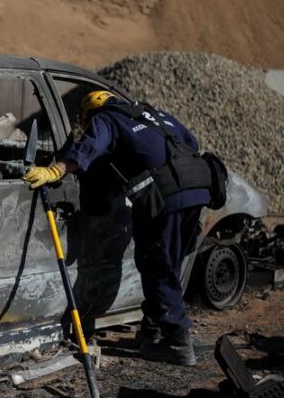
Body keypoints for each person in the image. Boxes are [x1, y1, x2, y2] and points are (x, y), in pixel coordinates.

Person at [23, 90, 222, 366]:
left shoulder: (106, 118)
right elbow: (191, 141)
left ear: (90, 111)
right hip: (198, 187)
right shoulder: (152, 113)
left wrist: (55, 170)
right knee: (168, 262)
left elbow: (91, 144)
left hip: (168, 195)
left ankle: (177, 340)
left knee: (158, 265)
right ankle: (154, 332)